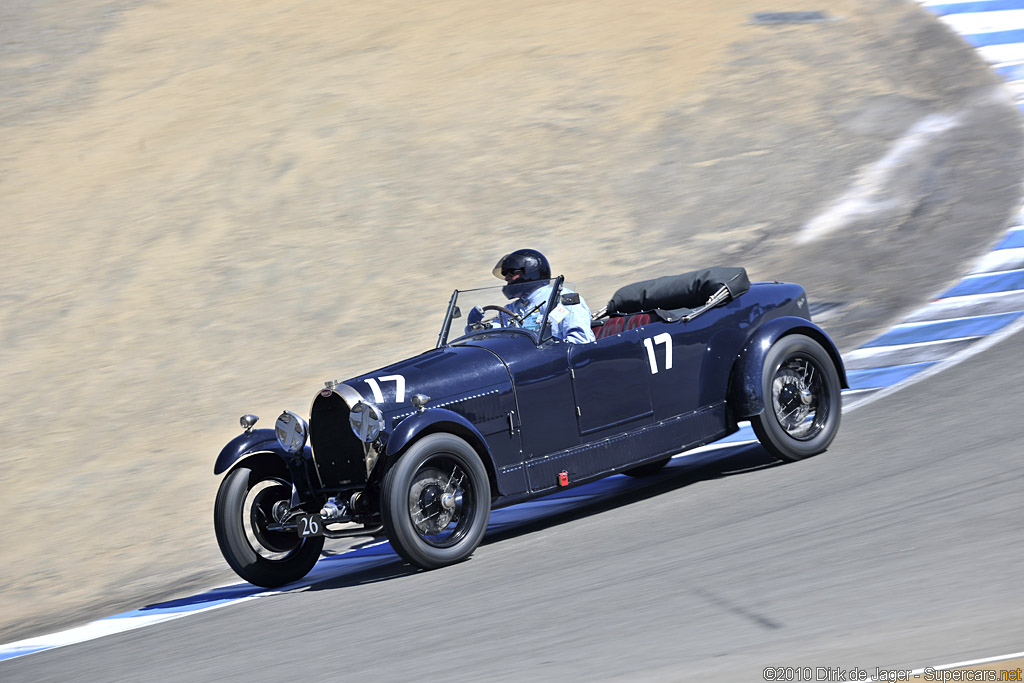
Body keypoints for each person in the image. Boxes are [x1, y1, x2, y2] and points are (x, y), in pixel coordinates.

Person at [467, 248, 596, 343]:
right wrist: (475, 327)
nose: (506, 278)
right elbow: (494, 336)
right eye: (506, 275)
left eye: (511, 273)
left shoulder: (561, 299)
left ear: (530, 272)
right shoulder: (511, 309)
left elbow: (581, 341)